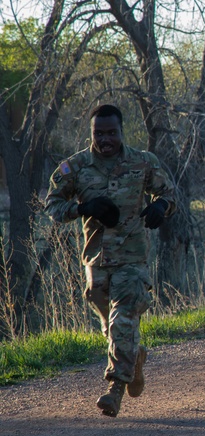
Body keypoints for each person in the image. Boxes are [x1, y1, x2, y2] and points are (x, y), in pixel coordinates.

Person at [45, 104, 176, 417]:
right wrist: (83, 209)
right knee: (112, 327)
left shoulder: (143, 162)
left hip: (133, 257)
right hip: (96, 260)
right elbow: (52, 205)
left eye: (111, 133)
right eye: (98, 133)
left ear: (121, 132)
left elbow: (168, 193)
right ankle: (135, 356)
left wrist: (161, 208)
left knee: (122, 320)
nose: (105, 139)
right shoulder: (75, 167)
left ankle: (114, 389)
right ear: (92, 133)